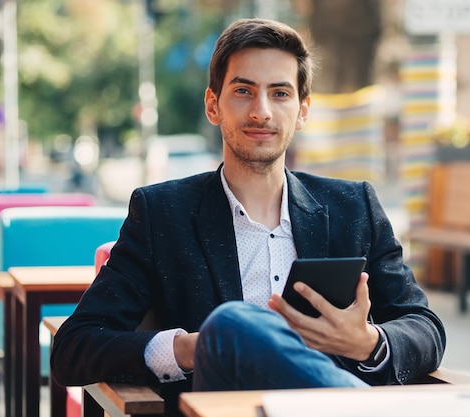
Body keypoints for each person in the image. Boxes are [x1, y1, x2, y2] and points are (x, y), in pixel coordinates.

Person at [51, 18, 446, 416]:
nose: (262, 111)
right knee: (231, 327)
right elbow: (74, 347)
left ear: (303, 110)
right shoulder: (162, 214)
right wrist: (190, 348)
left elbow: (424, 327)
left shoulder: (353, 207)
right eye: (243, 91)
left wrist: (367, 343)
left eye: (279, 93)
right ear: (213, 105)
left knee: (232, 326)